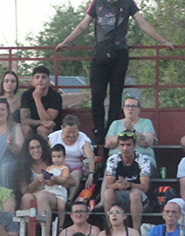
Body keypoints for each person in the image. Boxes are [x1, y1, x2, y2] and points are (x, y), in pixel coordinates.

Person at [55, 0, 173, 138]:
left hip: (119, 52)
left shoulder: (127, 3)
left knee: (116, 95)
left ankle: (112, 130)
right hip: (101, 52)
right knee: (98, 94)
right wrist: (66, 42)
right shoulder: (97, 3)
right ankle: (98, 130)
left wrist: (163, 41)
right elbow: (83, 25)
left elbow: (143, 23)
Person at [14, 135, 69, 235]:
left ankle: (46, 235)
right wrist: (37, 181)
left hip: (52, 195)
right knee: (26, 197)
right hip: (34, 195)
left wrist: (55, 180)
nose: (36, 150)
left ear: (43, 147)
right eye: (32, 148)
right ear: (28, 151)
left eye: (38, 147)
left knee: (41, 196)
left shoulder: (53, 161)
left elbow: (72, 181)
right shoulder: (23, 166)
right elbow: (24, 190)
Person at [102, 131, 151, 232]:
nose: (125, 148)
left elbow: (145, 187)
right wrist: (119, 185)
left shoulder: (143, 159)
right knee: (108, 193)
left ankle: (136, 231)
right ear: (118, 146)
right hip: (120, 194)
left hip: (140, 198)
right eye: (122, 145)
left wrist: (129, 184)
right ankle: (110, 230)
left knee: (135, 193)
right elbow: (108, 186)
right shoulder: (113, 159)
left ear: (134, 145)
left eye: (128, 145)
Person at [47, 115, 96, 200]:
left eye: (74, 132)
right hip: (57, 166)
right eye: (68, 132)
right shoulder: (54, 137)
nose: (72, 135)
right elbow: (47, 155)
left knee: (76, 174)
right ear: (62, 128)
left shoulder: (83, 138)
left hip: (76, 168)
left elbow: (91, 156)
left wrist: (91, 174)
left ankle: (70, 199)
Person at [105, 96, 156, 165]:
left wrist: (133, 131)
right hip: (118, 159)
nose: (130, 109)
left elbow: (148, 142)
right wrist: (122, 134)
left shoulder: (146, 122)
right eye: (127, 106)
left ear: (139, 109)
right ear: (123, 109)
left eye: (133, 106)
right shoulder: (116, 123)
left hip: (143, 158)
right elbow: (108, 144)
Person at [18, 65, 63, 139]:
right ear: (32, 81)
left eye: (43, 77)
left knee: (42, 129)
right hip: (32, 127)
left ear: (48, 81)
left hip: (51, 129)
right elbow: (24, 120)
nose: (40, 80)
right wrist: (40, 122)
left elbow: (47, 121)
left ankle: (47, 150)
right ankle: (27, 150)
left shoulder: (55, 96)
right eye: (37, 77)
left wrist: (37, 99)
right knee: (25, 129)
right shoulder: (26, 95)